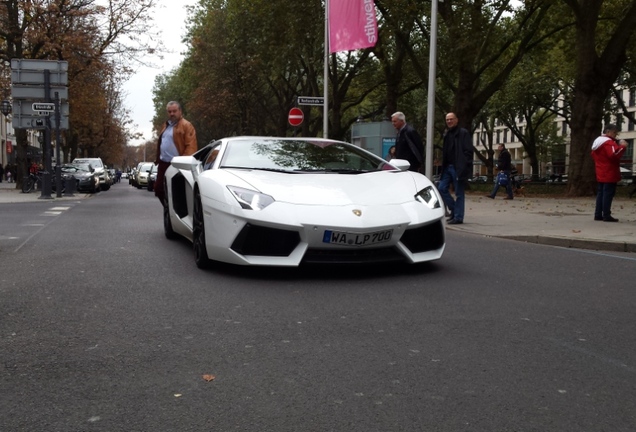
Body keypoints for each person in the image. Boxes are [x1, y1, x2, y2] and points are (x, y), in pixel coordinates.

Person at [154, 101, 198, 205]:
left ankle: (176, 213)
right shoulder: (165, 126)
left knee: (177, 191)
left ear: (180, 111)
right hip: (163, 163)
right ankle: (168, 208)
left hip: (177, 164)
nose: (172, 114)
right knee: (159, 189)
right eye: (169, 111)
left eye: (174, 111)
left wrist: (183, 163)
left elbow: (191, 147)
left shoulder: (187, 125)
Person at [438, 112, 474, 225]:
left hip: (458, 167)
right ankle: (454, 209)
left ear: (456, 120)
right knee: (441, 188)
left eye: (451, 119)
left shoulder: (463, 133)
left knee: (459, 193)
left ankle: (458, 217)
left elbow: (468, 151)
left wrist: (464, 166)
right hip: (447, 167)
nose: (449, 121)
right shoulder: (447, 135)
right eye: (447, 119)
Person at [591, 124, 627, 222]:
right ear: (608, 132)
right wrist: (623, 147)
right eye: (614, 132)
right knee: (608, 193)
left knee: (601, 193)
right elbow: (614, 155)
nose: (615, 135)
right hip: (609, 171)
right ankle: (606, 214)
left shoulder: (597, 143)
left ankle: (598, 214)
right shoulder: (609, 143)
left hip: (600, 170)